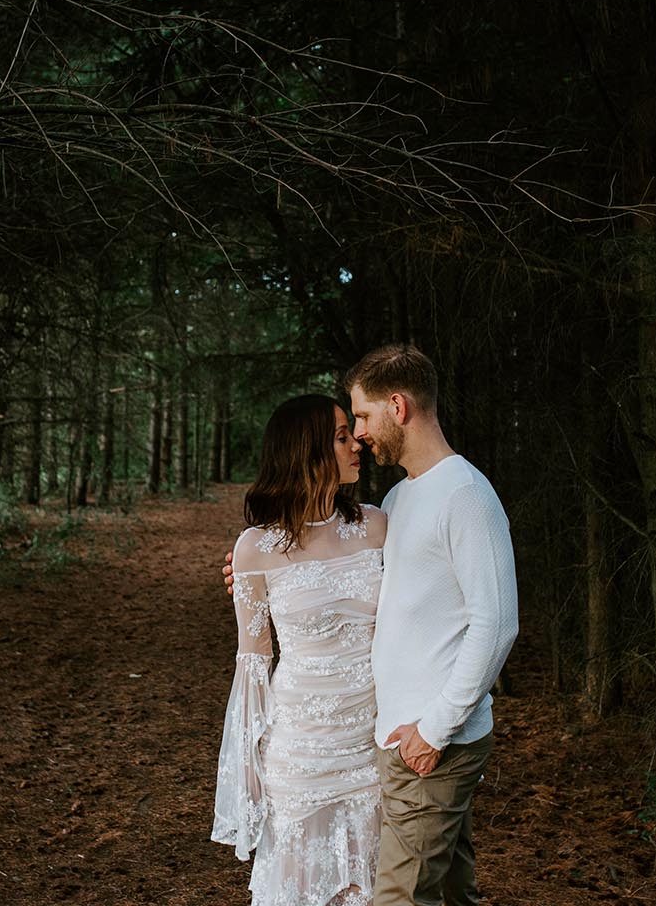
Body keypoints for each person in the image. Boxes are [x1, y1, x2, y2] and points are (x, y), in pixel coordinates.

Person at [225, 345, 518, 906]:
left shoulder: (435, 505)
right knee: (447, 890)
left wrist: (435, 729)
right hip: (333, 743)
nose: (358, 436)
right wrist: (253, 574)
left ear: (398, 407)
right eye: (344, 429)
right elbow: (264, 648)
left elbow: (496, 622)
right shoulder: (400, 500)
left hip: (405, 740)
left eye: (359, 418)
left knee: (395, 894)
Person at [212, 393, 389, 906]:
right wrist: (248, 772)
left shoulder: (377, 528)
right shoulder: (255, 549)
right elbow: (252, 664)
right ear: (305, 452)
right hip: (299, 756)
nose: (356, 442)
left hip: (368, 750)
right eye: (339, 436)